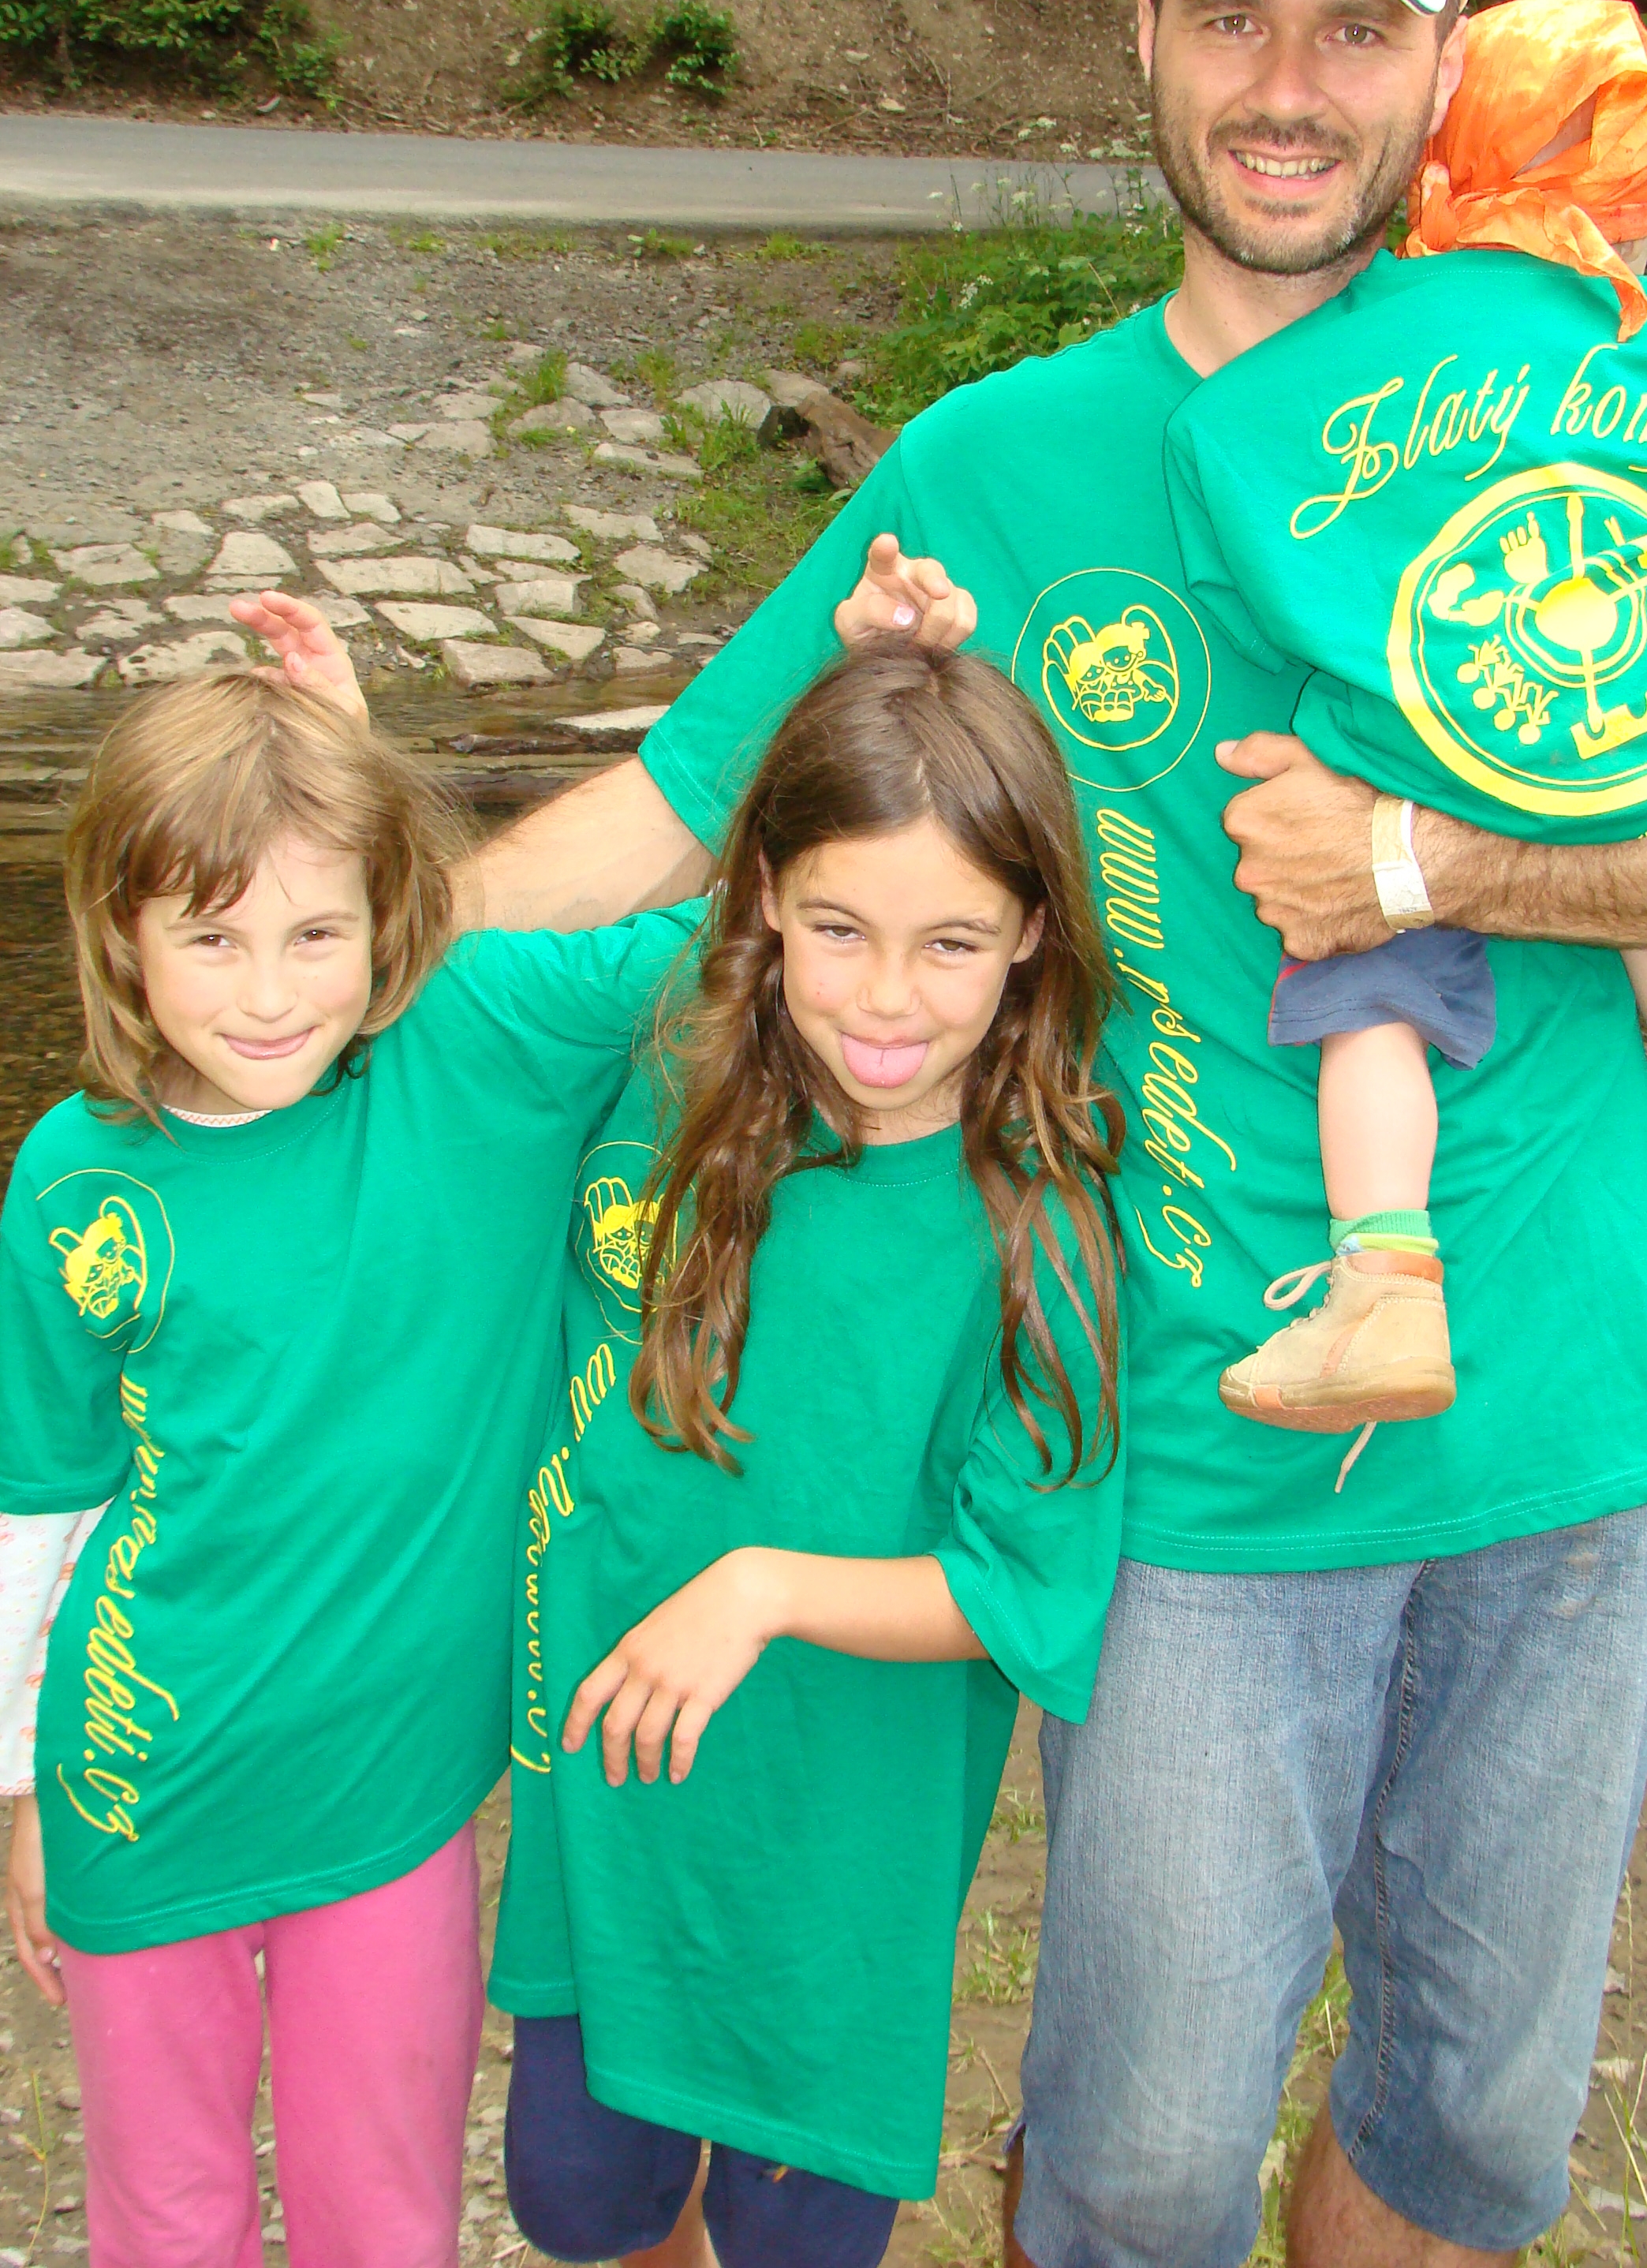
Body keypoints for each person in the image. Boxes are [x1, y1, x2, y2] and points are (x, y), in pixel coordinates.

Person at [453, 0, 1647, 2268]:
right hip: (1189, 1461)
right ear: (1142, 39)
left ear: (1448, 68)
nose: (1288, 87)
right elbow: (674, 821)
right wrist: (297, 994)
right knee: (1134, 2163)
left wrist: (1430, 866)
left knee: (1468, 2128)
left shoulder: (1584, 407)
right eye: (1233, 18)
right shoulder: (991, 470)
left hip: (1574, 1426)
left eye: (1357, 30)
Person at [0, 653, 705, 2268]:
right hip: (136, 1779)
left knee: (384, 2215)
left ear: (396, 918)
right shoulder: (74, 1176)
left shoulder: (477, 1048)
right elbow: (33, 1507)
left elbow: (770, 916)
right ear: (120, 935)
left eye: (318, 934)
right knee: (164, 2218)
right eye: (212, 939)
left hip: (393, 1801)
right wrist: (21, 1791)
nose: (269, 994)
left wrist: (877, 660)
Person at [1150, 0, 1647, 1442]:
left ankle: (1385, 1288)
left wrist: (1289, 629)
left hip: (1433, 732)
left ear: (1445, 154)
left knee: (1367, 979)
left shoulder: (1371, 329)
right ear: (1642, 199)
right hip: (1625, 692)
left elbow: (1218, 440)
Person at [485, 641, 1124, 2268]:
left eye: (951, 942)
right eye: (838, 928)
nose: (887, 998)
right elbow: (396, 971)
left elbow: (1024, 1589)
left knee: (796, 2243)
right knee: (578, 2201)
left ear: (1031, 932)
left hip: (836, 1859)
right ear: (763, 893)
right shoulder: (661, 1057)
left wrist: (762, 1589)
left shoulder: (1037, 1226)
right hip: (611, 1811)